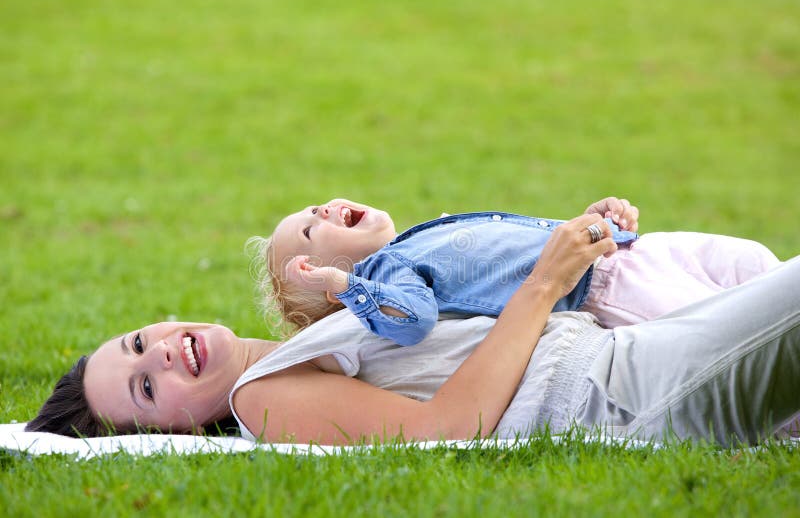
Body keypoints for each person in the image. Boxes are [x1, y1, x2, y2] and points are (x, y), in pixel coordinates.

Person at [26, 215, 800, 446]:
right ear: (180, 432)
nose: (158, 355)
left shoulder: (320, 328)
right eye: (146, 389)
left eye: (137, 345)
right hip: (619, 394)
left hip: (626, 348)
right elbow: (449, 425)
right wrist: (546, 281)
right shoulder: (265, 401)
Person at [256, 197, 779, 346]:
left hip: (632, 250)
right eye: (307, 233)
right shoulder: (393, 274)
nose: (320, 210)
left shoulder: (416, 238)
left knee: (754, 263)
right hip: (609, 285)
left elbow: (527, 240)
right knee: (745, 329)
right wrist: (347, 287)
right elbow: (413, 321)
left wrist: (592, 218)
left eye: (310, 208)